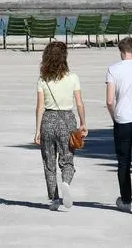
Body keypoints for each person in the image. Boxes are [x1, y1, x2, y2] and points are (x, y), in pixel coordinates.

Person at [34, 41, 87, 211]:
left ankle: (55, 199)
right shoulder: (73, 77)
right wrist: (83, 122)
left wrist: (37, 131)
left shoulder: (43, 79)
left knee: (49, 162)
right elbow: (79, 103)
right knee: (67, 160)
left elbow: (40, 107)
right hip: (67, 120)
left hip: (48, 120)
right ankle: (66, 182)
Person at [106, 37, 132, 212]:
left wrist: (114, 116)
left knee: (123, 162)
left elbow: (109, 100)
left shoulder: (113, 69)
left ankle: (126, 200)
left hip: (123, 119)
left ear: (122, 52)